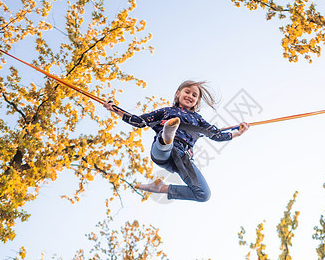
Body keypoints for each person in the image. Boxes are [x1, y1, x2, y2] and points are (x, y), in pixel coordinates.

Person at [104, 80, 249, 202]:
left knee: (203, 195)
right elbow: (140, 121)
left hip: (182, 159)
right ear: (178, 93)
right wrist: (114, 109)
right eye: (187, 92)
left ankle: (160, 188)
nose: (190, 96)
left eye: (194, 95)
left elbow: (215, 134)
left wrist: (237, 132)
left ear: (196, 102)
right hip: (163, 152)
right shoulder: (166, 111)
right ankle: (167, 135)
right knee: (166, 143)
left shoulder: (198, 120)